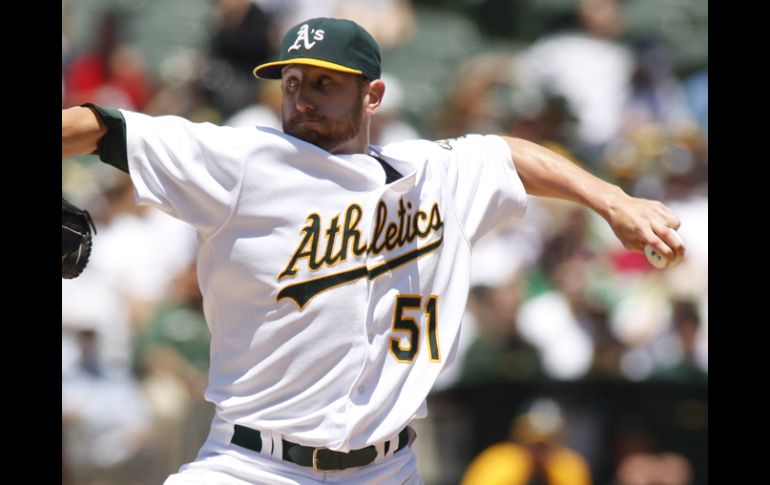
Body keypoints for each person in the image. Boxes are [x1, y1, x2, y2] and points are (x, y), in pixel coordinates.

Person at [62, 17, 685, 485]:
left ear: (373, 96)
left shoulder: (431, 173)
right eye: (293, 82)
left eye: (326, 85)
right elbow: (98, 125)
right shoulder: (244, 160)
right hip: (253, 465)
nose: (302, 97)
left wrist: (611, 200)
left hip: (387, 468)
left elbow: (507, 154)